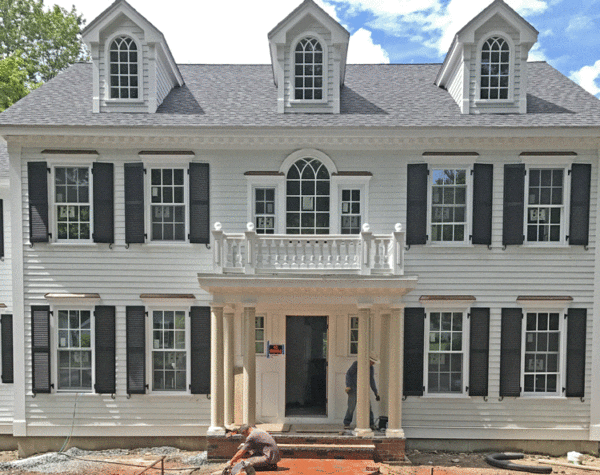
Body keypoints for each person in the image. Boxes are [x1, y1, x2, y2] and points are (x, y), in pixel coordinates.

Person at [343, 352, 381, 431]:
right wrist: (348, 385)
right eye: (372, 361)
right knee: (351, 406)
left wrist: (376, 392)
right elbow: (348, 374)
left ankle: (371, 424)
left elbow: (372, 380)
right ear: (368, 360)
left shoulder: (371, 368)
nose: (373, 363)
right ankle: (347, 423)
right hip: (353, 388)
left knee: (368, 407)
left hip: (364, 389)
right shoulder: (357, 364)